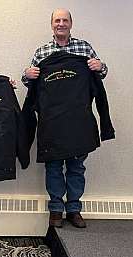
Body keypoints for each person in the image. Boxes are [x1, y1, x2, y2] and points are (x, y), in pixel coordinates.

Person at [21, 9, 109, 228]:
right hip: (51, 122)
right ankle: (56, 211)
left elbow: (99, 77)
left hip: (78, 120)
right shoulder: (42, 52)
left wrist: (101, 66)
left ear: (71, 23)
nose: (61, 24)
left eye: (65, 20)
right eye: (57, 21)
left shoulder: (84, 48)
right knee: (53, 167)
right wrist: (27, 75)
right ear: (52, 25)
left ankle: (74, 210)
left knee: (76, 167)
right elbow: (30, 83)